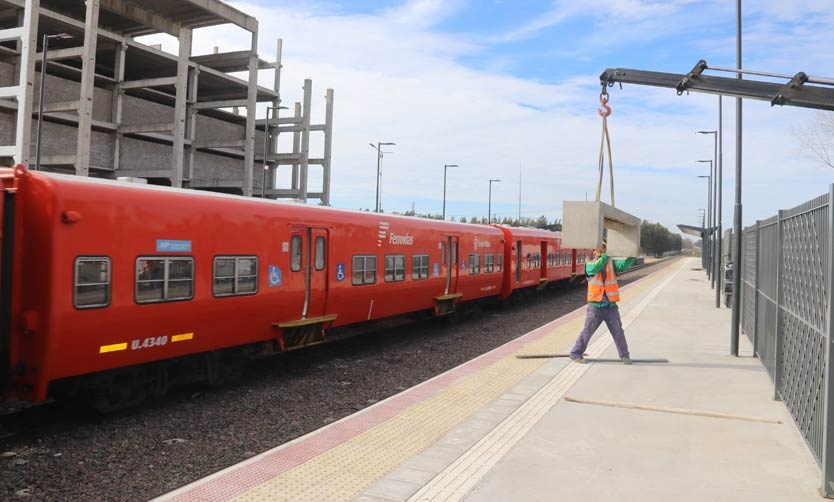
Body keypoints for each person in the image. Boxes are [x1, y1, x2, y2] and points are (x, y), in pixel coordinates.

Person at [570, 238, 636, 364]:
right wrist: (606, 256)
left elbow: (623, 265)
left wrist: (631, 256)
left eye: (604, 248)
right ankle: (576, 353)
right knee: (588, 330)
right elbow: (595, 268)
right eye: (599, 248)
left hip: (610, 305)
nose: (601, 250)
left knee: (618, 330)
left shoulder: (611, 263)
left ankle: (624, 355)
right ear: (594, 251)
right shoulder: (590, 263)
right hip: (595, 305)